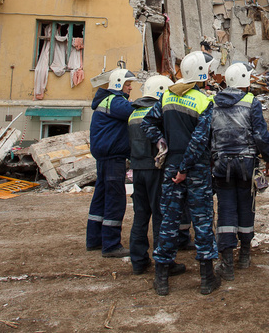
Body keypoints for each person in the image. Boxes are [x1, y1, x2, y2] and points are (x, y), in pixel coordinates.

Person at [142, 50, 220, 296]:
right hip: (194, 170)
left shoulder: (167, 97)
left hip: (171, 168)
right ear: (202, 74)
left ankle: (162, 278)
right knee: (203, 222)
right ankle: (207, 279)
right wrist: (185, 168)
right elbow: (199, 141)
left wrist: (162, 142)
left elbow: (147, 123)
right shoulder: (204, 101)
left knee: (169, 222)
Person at [211, 62, 269, 281]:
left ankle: (227, 262)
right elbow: (260, 134)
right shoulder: (251, 102)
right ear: (244, 81)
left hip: (221, 165)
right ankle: (245, 255)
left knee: (226, 210)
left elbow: (209, 134)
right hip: (247, 165)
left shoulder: (213, 102)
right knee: (246, 207)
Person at [127, 74, 186, 277]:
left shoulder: (133, 113)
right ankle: (164, 262)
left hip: (137, 170)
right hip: (156, 170)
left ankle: (138, 261)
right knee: (161, 216)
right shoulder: (157, 112)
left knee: (140, 216)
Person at [86, 68, 136, 257]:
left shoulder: (106, 100)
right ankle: (111, 245)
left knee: (100, 198)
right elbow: (133, 112)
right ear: (118, 84)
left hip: (104, 158)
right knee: (115, 200)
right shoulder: (115, 101)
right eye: (128, 84)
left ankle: (94, 240)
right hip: (113, 157)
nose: (130, 88)